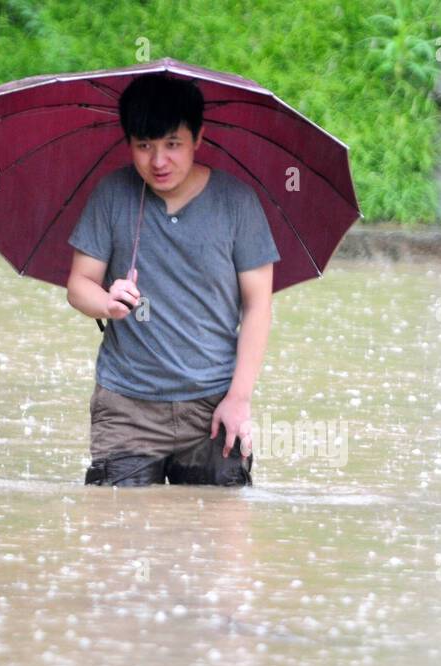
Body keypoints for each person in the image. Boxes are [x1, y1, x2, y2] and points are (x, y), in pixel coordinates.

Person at [66, 73, 280, 486]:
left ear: (198, 138)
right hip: (126, 405)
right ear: (128, 142)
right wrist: (106, 302)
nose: (158, 161)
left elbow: (258, 306)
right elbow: (79, 285)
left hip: (212, 407)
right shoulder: (112, 195)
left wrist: (239, 398)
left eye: (172, 145)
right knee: (115, 530)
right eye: (144, 146)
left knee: (216, 535)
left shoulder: (238, 204)